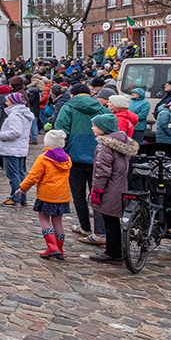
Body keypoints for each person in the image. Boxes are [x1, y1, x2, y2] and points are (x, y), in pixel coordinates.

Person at [53, 83, 111, 245]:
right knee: (98, 194)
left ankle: (85, 226)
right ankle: (100, 231)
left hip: (75, 156)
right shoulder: (102, 108)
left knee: (78, 193)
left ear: (72, 94)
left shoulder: (68, 107)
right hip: (98, 156)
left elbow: (60, 130)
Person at [13, 129, 73, 259]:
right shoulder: (67, 159)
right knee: (58, 221)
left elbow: (33, 177)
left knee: (44, 219)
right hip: (62, 195)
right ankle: (60, 249)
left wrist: (22, 188)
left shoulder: (43, 159)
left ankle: (52, 247)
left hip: (47, 195)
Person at [88, 113, 138, 264]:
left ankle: (113, 252)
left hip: (110, 187)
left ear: (104, 128)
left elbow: (102, 170)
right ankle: (116, 250)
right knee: (114, 220)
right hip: (121, 185)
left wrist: (96, 190)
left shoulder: (104, 146)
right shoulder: (122, 142)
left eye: (95, 126)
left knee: (110, 221)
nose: (92, 128)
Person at [0, 93, 32, 207]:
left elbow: (16, 132)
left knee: (13, 175)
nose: (6, 102)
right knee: (20, 173)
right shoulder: (24, 113)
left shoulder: (15, 115)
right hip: (20, 148)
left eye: (8, 100)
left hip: (11, 148)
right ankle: (22, 197)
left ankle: (16, 197)